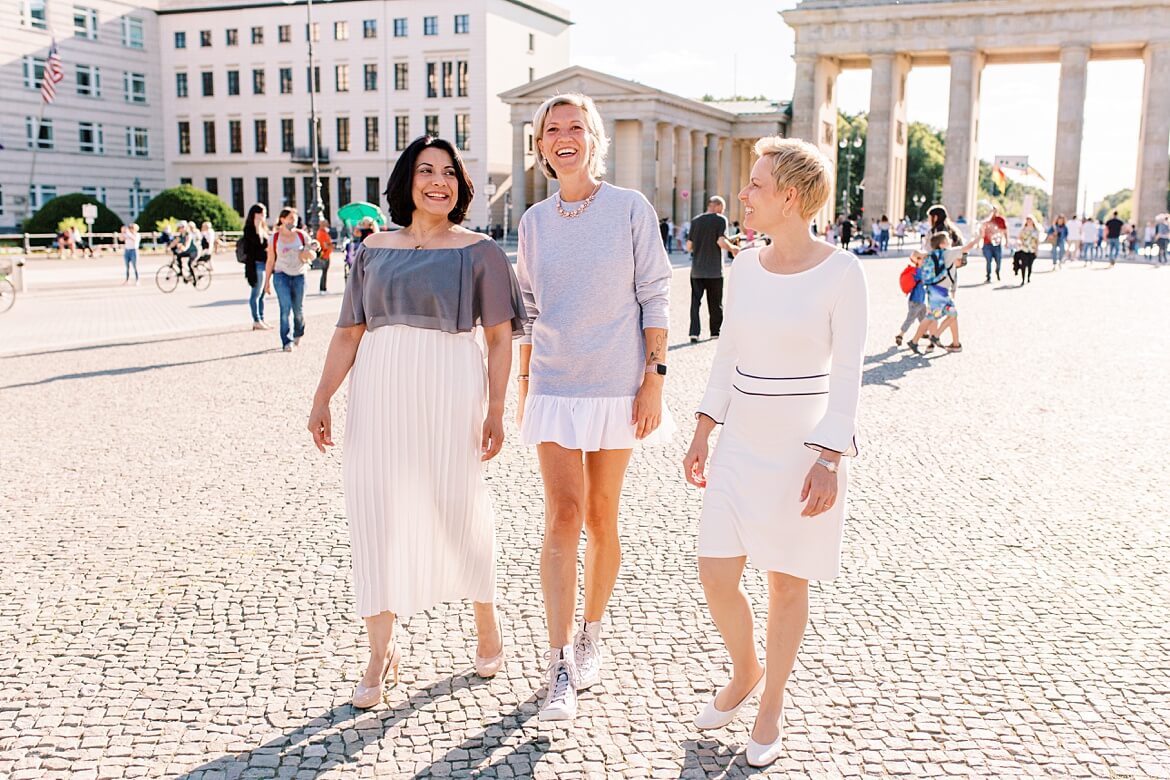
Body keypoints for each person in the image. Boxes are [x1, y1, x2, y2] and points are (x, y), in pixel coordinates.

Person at [308, 135, 525, 709]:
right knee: (374, 511)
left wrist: (497, 408)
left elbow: (500, 338)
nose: (439, 181)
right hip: (379, 390)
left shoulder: (481, 251)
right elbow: (348, 331)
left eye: (449, 172)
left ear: (460, 184)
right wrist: (322, 396)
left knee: (458, 505)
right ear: (406, 181)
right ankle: (380, 651)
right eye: (426, 171)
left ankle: (486, 623)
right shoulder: (373, 249)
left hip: (452, 386)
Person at [682, 137, 867, 769]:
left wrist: (829, 459)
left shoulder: (844, 272)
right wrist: (704, 427)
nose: (743, 194)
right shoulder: (745, 266)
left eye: (755, 184)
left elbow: (848, 376)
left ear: (789, 196)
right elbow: (727, 354)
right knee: (715, 572)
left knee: (786, 582)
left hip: (802, 444)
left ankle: (770, 705)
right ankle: (746, 668)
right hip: (741, 438)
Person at [514, 93, 673, 723]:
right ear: (541, 146)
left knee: (602, 518)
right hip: (555, 385)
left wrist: (654, 378)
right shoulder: (532, 221)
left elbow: (656, 293)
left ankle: (591, 632)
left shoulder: (630, 209)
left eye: (574, 127)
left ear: (594, 138)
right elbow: (526, 310)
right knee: (563, 516)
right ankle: (557, 663)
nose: (563, 137)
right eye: (551, 130)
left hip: (616, 386)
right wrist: (525, 386)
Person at [911, 230, 978, 353]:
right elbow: (967, 247)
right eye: (948, 240)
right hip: (939, 292)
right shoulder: (947, 253)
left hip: (934, 290)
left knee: (939, 315)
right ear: (942, 244)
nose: (950, 242)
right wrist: (980, 237)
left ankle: (917, 340)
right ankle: (930, 337)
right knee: (941, 315)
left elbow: (916, 256)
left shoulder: (932, 254)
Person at [687, 196, 739, 343]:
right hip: (714, 270)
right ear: (717, 206)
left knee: (695, 303)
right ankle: (715, 332)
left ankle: (694, 333)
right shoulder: (720, 219)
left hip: (696, 270)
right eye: (722, 208)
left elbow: (688, 246)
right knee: (715, 303)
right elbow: (720, 241)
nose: (722, 211)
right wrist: (733, 248)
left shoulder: (696, 221)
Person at [263, 207, 313, 352]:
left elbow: (313, 253)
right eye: (290, 218)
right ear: (282, 219)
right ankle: (287, 341)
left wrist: (308, 253)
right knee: (285, 309)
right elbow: (270, 260)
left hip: (299, 275)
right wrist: (266, 282)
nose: (293, 221)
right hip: (281, 275)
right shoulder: (275, 238)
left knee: (298, 310)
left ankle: (299, 332)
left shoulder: (302, 236)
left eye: (295, 219)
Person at [241, 204, 271, 330]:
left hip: (264, 263)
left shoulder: (264, 227)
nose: (264, 216)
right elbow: (256, 243)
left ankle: (262, 318)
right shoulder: (249, 229)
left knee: (262, 293)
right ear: (255, 214)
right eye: (262, 214)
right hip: (255, 264)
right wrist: (258, 227)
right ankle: (256, 319)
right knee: (256, 293)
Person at [894, 250, 926, 347]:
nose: (924, 260)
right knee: (910, 319)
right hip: (916, 301)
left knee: (924, 318)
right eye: (922, 258)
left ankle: (924, 332)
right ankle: (900, 335)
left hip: (920, 300)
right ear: (917, 260)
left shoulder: (918, 270)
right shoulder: (918, 271)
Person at [980, 206, 1007, 283]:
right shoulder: (986, 221)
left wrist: (1006, 241)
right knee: (988, 261)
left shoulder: (1000, 220)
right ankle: (988, 276)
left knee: (998, 261)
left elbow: (1005, 231)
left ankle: (997, 271)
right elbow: (981, 232)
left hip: (997, 244)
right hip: (987, 243)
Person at [1015, 215, 1040, 285]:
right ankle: (1023, 279)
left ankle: (1028, 277)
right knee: (1023, 265)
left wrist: (1036, 250)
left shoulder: (1036, 230)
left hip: (1032, 249)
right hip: (1024, 249)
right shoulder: (1023, 229)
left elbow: (1037, 241)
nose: (1029, 221)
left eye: (1030, 220)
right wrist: (1019, 242)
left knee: (1030, 265)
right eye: (1028, 220)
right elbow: (1019, 238)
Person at [315, 218, 335, 293]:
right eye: (326, 223)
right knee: (324, 272)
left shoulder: (324, 232)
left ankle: (324, 288)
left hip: (326, 254)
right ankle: (322, 289)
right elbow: (325, 245)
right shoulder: (321, 233)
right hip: (324, 255)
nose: (328, 224)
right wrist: (331, 246)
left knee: (325, 272)